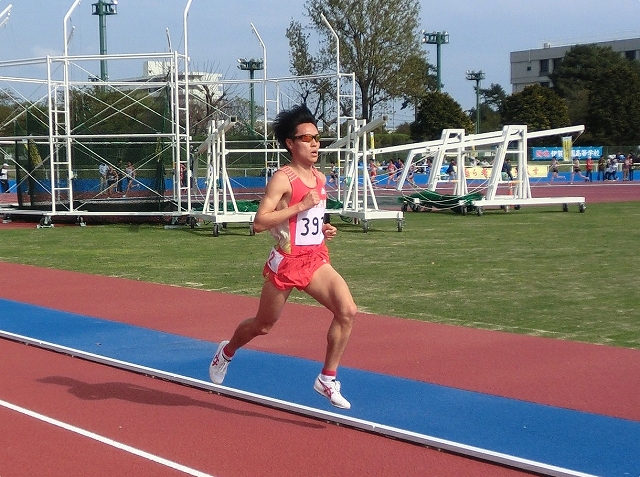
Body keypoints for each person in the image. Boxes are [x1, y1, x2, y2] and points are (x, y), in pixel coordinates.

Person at [208, 104, 357, 410]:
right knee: (263, 326)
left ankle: (327, 379)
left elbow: (313, 215)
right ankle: (227, 351)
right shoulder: (283, 179)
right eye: (307, 138)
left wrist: (324, 227)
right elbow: (260, 222)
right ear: (291, 143)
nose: (315, 144)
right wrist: (301, 206)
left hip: (315, 258)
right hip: (287, 263)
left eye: (317, 138)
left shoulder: (320, 178)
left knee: (347, 310)